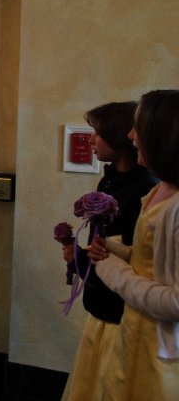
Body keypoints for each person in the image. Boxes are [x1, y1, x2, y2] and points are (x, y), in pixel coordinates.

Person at [60, 102, 158, 401]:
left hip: (121, 313)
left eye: (97, 133)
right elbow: (104, 247)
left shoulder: (144, 191)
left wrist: (88, 258)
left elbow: (134, 258)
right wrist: (78, 259)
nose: (89, 140)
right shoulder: (111, 179)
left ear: (119, 138)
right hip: (101, 305)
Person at [87, 89, 179, 399]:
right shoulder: (160, 192)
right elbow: (151, 260)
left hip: (158, 345)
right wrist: (113, 249)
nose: (130, 135)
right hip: (135, 328)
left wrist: (112, 270)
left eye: (137, 127)